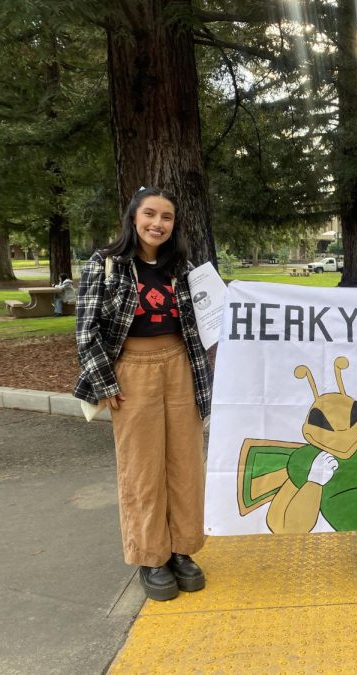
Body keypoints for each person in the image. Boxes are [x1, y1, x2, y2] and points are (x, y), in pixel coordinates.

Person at [74, 187, 213, 601]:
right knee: (142, 468)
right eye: (149, 214)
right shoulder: (106, 264)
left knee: (186, 463)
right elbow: (86, 330)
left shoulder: (182, 268)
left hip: (179, 368)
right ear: (133, 218)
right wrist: (105, 382)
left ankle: (182, 550)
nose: (157, 223)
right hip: (131, 371)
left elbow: (210, 319)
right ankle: (152, 556)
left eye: (166, 217)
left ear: (174, 225)